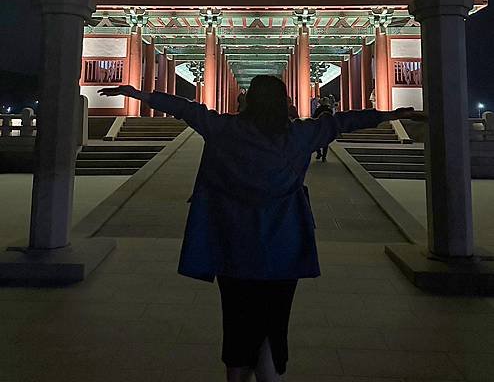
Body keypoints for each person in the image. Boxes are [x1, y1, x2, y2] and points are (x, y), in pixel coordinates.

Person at [99, 77, 419, 382]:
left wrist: (138, 94)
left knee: (237, 324)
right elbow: (341, 122)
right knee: (273, 326)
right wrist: (391, 114)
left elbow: (186, 108)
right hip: (284, 247)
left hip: (234, 246)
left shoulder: (224, 130)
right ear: (284, 103)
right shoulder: (299, 136)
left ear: (249, 101)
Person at [313, 97, 333, 162]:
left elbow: (314, 117)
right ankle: (324, 157)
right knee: (325, 143)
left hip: (319, 127)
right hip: (327, 128)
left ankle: (319, 153)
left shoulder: (318, 109)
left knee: (316, 141)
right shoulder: (330, 110)